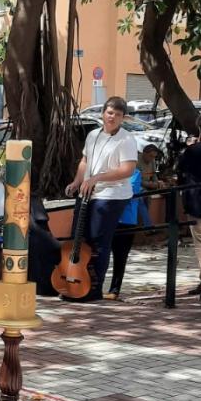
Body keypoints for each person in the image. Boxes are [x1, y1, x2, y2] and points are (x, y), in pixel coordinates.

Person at [65, 95, 138, 302]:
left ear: (123, 117)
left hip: (110, 196)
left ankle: (93, 289)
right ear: (103, 113)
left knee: (98, 242)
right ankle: (75, 283)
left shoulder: (126, 139)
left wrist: (98, 177)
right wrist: (77, 181)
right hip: (87, 193)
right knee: (79, 240)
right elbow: (84, 161)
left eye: (117, 114)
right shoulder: (93, 135)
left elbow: (127, 169)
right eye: (109, 112)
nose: (112, 117)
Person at [180, 112, 201, 307]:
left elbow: (181, 168)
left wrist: (190, 147)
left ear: (200, 129)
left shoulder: (194, 150)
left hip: (200, 204)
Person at [106, 168, 150, 301]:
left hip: (126, 220)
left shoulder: (135, 173)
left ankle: (114, 289)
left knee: (120, 257)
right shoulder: (106, 170)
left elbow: (128, 192)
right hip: (106, 218)